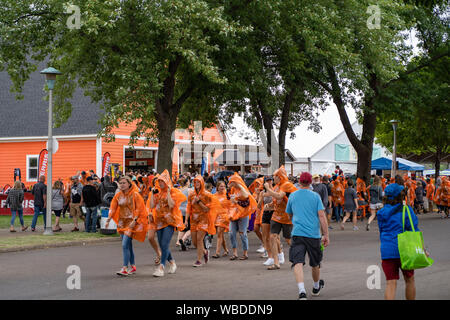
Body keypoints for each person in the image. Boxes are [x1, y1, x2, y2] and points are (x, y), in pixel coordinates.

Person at [286, 172, 328, 300]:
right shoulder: (315, 196)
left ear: (299, 182)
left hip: (297, 233)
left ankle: (301, 291)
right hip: (313, 234)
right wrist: (326, 234)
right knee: (315, 263)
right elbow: (321, 216)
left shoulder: (293, 196)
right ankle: (316, 287)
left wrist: (296, 221)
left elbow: (289, 214)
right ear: (310, 182)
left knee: (297, 262)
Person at [377, 182, 420, 300]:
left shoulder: (380, 212)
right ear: (400, 196)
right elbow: (413, 229)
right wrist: (421, 249)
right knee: (410, 280)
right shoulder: (406, 210)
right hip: (405, 250)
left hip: (387, 250)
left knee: (391, 283)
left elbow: (381, 231)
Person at [106, 176, 149, 276]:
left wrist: (135, 220)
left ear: (129, 184)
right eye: (120, 183)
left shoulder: (135, 195)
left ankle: (125, 268)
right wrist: (108, 219)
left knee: (125, 244)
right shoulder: (118, 195)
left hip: (132, 223)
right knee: (128, 246)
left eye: (124, 183)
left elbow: (139, 208)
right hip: (122, 223)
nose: (122, 185)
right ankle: (133, 266)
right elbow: (113, 206)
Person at [148, 170, 186, 277]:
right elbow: (151, 205)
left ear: (167, 182)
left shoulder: (174, 192)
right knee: (162, 245)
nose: (160, 183)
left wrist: (168, 192)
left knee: (164, 244)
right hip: (159, 222)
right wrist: (151, 193)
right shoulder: (157, 193)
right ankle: (172, 262)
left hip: (170, 222)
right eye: (159, 181)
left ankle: (161, 267)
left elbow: (171, 205)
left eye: (162, 181)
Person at [263, 166, 298, 270]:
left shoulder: (286, 185)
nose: (273, 178)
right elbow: (275, 200)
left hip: (287, 216)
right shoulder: (277, 186)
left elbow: (279, 196)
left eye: (275, 176)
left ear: (280, 177)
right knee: (273, 236)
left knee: (288, 239)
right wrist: (269, 204)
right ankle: (276, 262)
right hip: (276, 215)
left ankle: (298, 257)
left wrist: (268, 188)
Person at [186, 175, 219, 267]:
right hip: (193, 220)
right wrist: (185, 220)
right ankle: (205, 252)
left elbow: (207, 209)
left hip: (204, 219)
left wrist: (199, 201)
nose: (196, 184)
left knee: (199, 239)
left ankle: (199, 260)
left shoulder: (207, 194)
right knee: (194, 242)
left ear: (202, 183)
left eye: (198, 182)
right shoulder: (191, 194)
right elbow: (189, 208)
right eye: (195, 182)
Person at [227, 173, 257, 261]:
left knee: (242, 234)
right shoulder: (232, 190)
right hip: (234, 214)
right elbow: (231, 199)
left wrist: (239, 185)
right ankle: (234, 253)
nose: (229, 184)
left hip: (243, 215)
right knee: (231, 233)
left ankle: (245, 253)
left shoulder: (242, 189)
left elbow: (246, 198)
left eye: (231, 182)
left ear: (235, 182)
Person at [212, 181, 231, 258]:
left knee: (219, 232)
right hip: (216, 216)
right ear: (217, 187)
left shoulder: (227, 195)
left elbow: (231, 205)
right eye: (221, 186)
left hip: (224, 216)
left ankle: (217, 252)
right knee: (220, 234)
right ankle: (226, 250)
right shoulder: (214, 196)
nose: (222, 188)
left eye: (223, 186)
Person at [261, 176, 275, 265]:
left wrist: (268, 189)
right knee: (266, 236)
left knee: (272, 236)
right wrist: (260, 197)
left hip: (273, 213)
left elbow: (275, 196)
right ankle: (270, 256)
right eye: (267, 181)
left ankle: (277, 254)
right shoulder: (263, 192)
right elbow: (259, 205)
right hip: (265, 213)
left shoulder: (275, 190)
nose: (269, 182)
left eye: (270, 181)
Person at [176, 177, 191, 251]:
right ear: (187, 182)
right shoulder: (189, 190)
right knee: (191, 228)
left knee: (182, 227)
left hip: (179, 210)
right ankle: (183, 239)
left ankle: (178, 241)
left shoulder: (179, 190)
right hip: (187, 210)